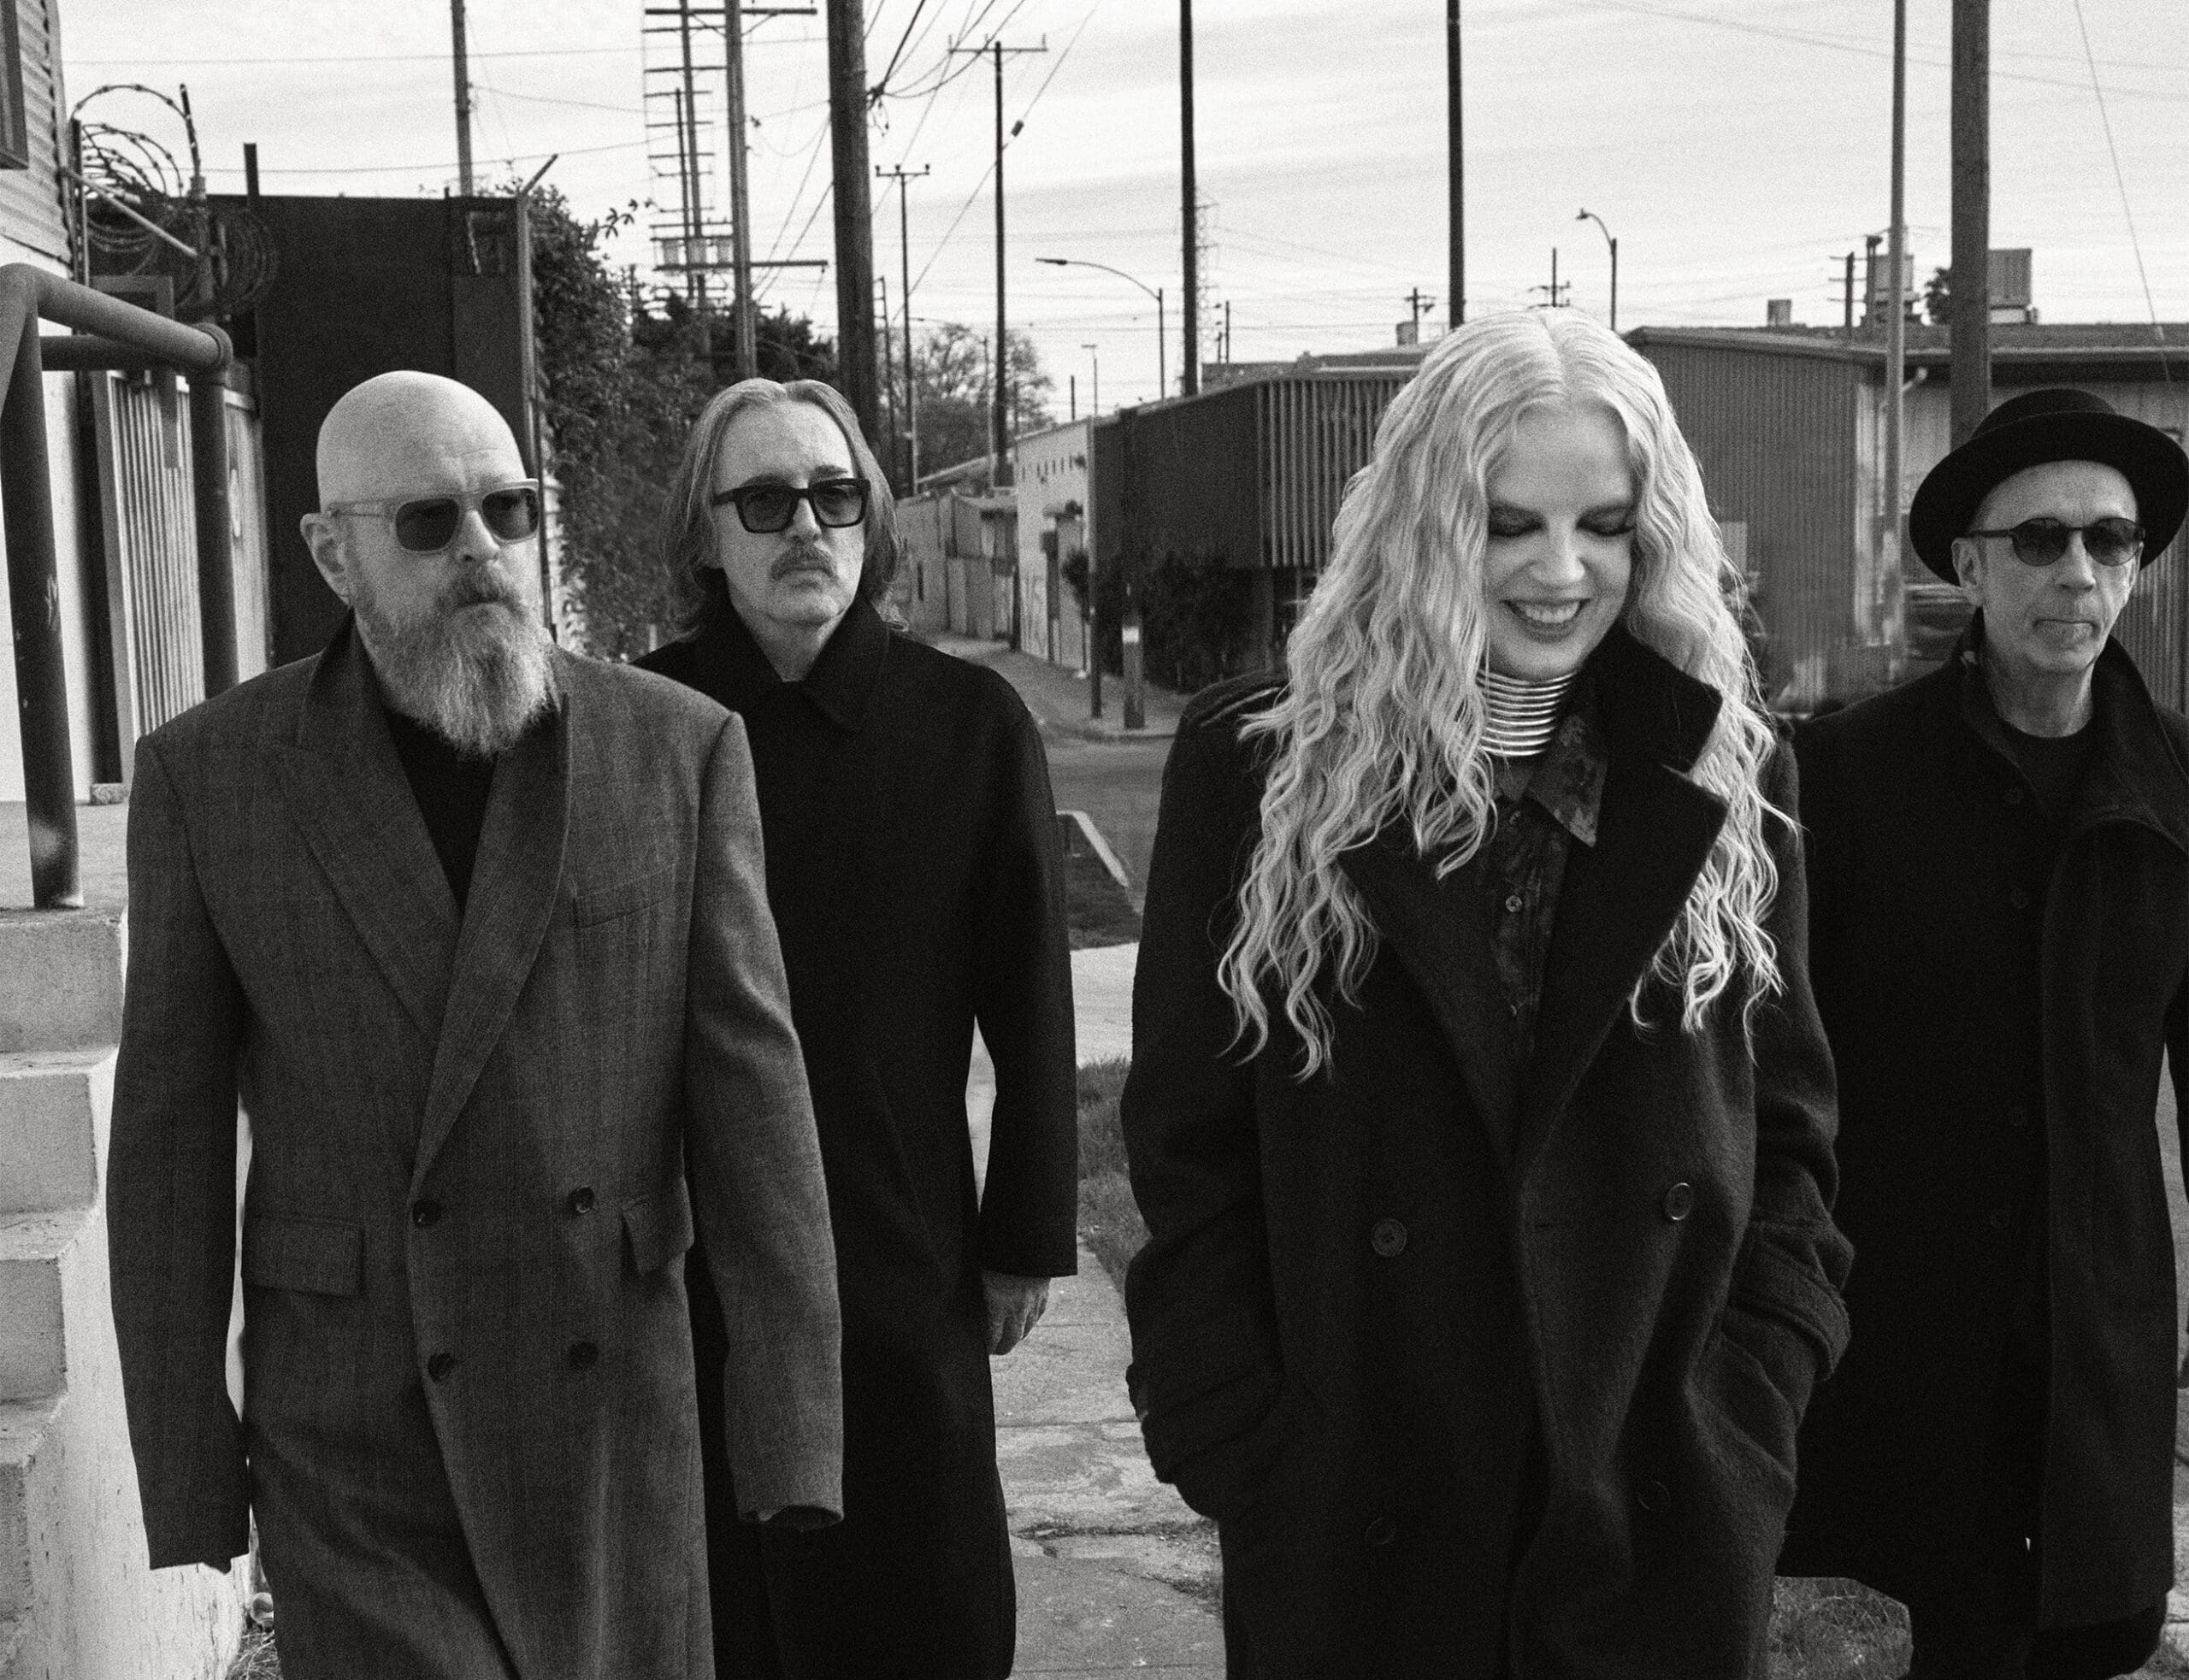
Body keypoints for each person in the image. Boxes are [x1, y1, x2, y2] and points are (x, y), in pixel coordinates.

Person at [1121, 309, 1851, 1677]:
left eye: (1604, 525)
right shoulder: (1261, 768)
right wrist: (1242, 1434)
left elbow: (1793, 1137)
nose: (1561, 571)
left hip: (1653, 1489)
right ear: (1425, 522)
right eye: (1510, 523)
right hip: (1362, 1503)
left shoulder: (1726, 770)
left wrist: (1754, 1391)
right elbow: (1187, 1144)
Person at [106, 370, 843, 1680]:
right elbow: (167, 1144)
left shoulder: (676, 749)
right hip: (356, 1426)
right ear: (331, 552)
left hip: (608, 1414)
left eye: (508, 509)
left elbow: (756, 1104)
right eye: (429, 522)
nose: (483, 551)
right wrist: (186, 1463)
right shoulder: (209, 777)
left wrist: (789, 1429)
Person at [637, 377, 1077, 1679]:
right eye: (765, 501)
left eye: (835, 497)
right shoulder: (635, 726)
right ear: (705, 532)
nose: (805, 528)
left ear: (872, 519)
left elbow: (1034, 1004)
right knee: (726, 1615)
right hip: (688, 1258)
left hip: (899, 1243)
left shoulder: (969, 725)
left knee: (922, 1600)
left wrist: (1025, 1237)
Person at [1780, 388, 2189, 1679]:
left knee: (2100, 1630)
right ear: (1969, 566)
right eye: (2041, 539)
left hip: (2097, 1335)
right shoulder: (1848, 777)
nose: (2079, 571)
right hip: (1903, 1337)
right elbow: (1776, 1073)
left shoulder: (2176, 788)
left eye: (2111, 540)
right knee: (1942, 1627)